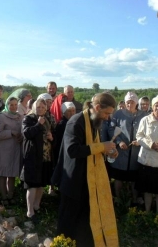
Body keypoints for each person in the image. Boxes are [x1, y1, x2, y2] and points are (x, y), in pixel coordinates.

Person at [52, 93, 119, 247]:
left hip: (87, 180)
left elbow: (91, 147)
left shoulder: (94, 120)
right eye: (107, 113)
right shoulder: (76, 122)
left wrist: (106, 150)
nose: (108, 118)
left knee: (84, 220)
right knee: (68, 220)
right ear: (97, 107)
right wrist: (102, 146)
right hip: (72, 180)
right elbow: (73, 150)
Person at [108, 91, 147, 205]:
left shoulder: (143, 116)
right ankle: (119, 199)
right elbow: (111, 129)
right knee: (119, 176)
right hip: (121, 152)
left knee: (134, 178)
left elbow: (148, 132)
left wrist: (140, 141)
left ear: (136, 103)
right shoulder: (118, 114)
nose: (130, 105)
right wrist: (119, 142)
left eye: (132, 102)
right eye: (128, 102)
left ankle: (134, 200)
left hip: (136, 152)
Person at [21, 99, 55, 222]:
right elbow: (26, 134)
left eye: (42, 107)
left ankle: (37, 206)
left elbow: (51, 135)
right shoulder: (28, 118)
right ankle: (30, 212)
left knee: (41, 183)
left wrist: (52, 138)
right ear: (34, 107)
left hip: (45, 156)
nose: (40, 109)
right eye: (38, 106)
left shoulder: (47, 119)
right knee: (32, 184)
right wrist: (38, 124)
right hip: (33, 157)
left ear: (46, 109)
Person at [0, 96, 23, 206]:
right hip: (4, 150)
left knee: (12, 174)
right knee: (3, 174)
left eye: (16, 105)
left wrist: (21, 136)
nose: (14, 107)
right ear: (7, 105)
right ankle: (3, 196)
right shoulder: (1, 117)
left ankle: (11, 195)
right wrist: (11, 132)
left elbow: (22, 130)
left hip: (15, 148)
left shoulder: (20, 117)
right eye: (11, 105)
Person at [38, 93, 57, 195]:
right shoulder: (35, 115)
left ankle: (51, 187)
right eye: (47, 102)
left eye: (50, 102)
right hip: (38, 147)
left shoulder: (51, 116)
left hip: (49, 144)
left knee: (50, 166)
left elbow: (55, 128)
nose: (49, 104)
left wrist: (52, 136)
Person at [53, 102, 76, 167]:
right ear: (64, 113)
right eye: (69, 111)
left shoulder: (74, 122)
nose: (72, 113)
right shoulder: (61, 124)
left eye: (73, 110)